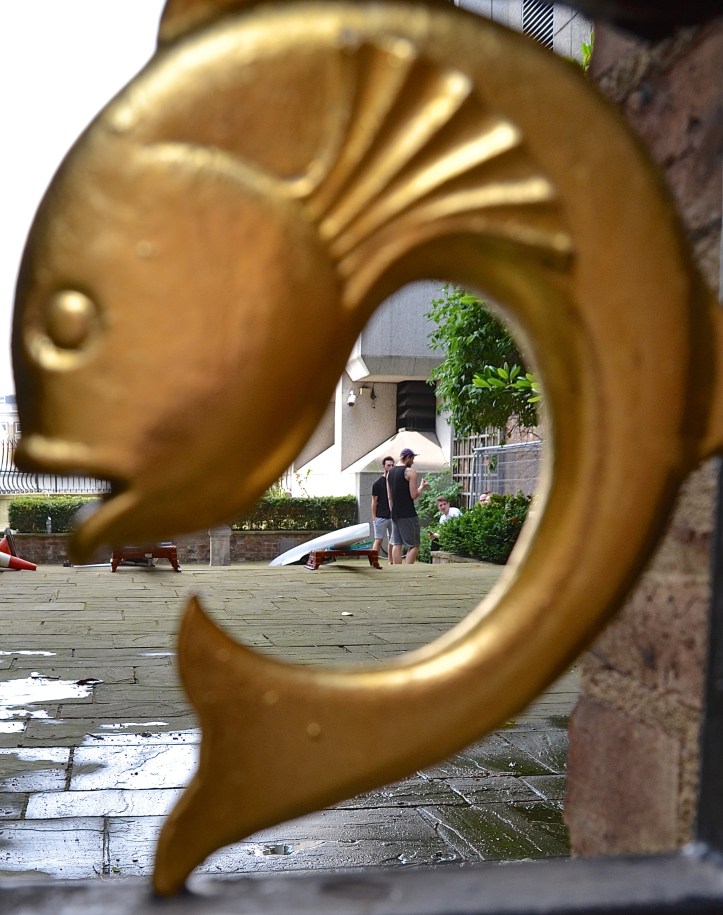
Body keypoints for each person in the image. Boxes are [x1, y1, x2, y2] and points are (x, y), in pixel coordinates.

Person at [386, 448, 428, 564]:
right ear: (408, 457)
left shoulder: (390, 473)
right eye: (412, 459)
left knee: (397, 544)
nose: (413, 462)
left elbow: (389, 497)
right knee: (414, 545)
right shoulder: (410, 472)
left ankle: (398, 572)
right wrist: (422, 488)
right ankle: (408, 571)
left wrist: (392, 512)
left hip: (395, 513)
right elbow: (413, 495)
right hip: (408, 513)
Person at [371, 455, 395, 560]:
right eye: (388, 465)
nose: (390, 467)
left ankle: (391, 562)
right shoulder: (377, 483)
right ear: (383, 467)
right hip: (380, 516)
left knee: (393, 540)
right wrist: (374, 517)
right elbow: (374, 501)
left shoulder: (395, 482)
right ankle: (373, 561)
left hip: (393, 516)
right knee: (378, 540)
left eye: (392, 465)